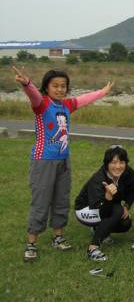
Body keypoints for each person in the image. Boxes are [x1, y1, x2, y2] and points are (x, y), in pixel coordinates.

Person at [13, 66, 113, 263]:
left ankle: (58, 237)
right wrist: (26, 83)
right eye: (55, 86)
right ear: (47, 87)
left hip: (63, 160)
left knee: (61, 199)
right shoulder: (41, 104)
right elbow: (33, 95)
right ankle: (31, 243)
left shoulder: (67, 105)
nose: (59, 89)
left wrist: (103, 92)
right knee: (41, 201)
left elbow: (84, 99)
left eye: (63, 86)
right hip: (44, 160)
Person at [75, 146, 134, 261]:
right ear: (106, 164)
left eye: (122, 162)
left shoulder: (126, 171)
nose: (118, 166)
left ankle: (99, 229)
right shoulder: (98, 179)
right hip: (85, 210)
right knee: (117, 211)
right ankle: (93, 248)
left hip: (106, 207)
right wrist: (108, 197)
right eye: (114, 162)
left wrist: (127, 206)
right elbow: (104, 212)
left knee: (126, 223)